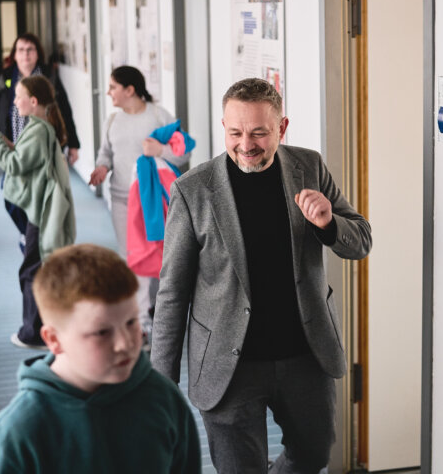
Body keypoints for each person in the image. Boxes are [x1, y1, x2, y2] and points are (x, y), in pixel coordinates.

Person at [151, 78, 372, 474]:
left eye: (259, 133)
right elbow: (172, 293)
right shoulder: (193, 190)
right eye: (235, 132)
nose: (245, 144)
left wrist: (328, 222)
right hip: (227, 363)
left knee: (314, 455)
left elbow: (360, 242)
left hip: (304, 353)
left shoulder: (309, 167)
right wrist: (159, 386)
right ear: (223, 126)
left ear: (282, 128)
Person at [0, 244, 201, 473]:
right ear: (53, 339)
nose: (125, 344)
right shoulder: (18, 433)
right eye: (102, 333)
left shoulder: (163, 398)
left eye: (131, 322)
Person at [88, 66, 190, 337]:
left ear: (129, 90)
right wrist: (101, 168)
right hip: (122, 200)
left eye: (113, 87)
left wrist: (161, 150)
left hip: (155, 201)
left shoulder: (158, 116)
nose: (109, 92)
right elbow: (105, 153)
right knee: (132, 255)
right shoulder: (112, 121)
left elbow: (182, 154)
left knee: (159, 253)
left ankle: (157, 308)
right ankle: (142, 315)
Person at [0, 76, 76, 349]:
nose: (14, 101)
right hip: (38, 209)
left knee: (31, 269)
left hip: (40, 213)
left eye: (18, 96)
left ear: (33, 102)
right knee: (36, 266)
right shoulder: (41, 127)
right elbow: (24, 156)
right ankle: (46, 326)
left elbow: (15, 164)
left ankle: (33, 332)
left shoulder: (37, 130)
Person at [0, 33, 81, 245]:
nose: (26, 54)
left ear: (38, 54)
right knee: (12, 194)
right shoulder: (6, 76)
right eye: (21, 50)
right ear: (14, 55)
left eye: (30, 49)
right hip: (14, 144)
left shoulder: (48, 76)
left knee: (41, 194)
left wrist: (73, 143)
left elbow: (64, 109)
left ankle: (36, 236)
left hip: (44, 144)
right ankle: (28, 232)